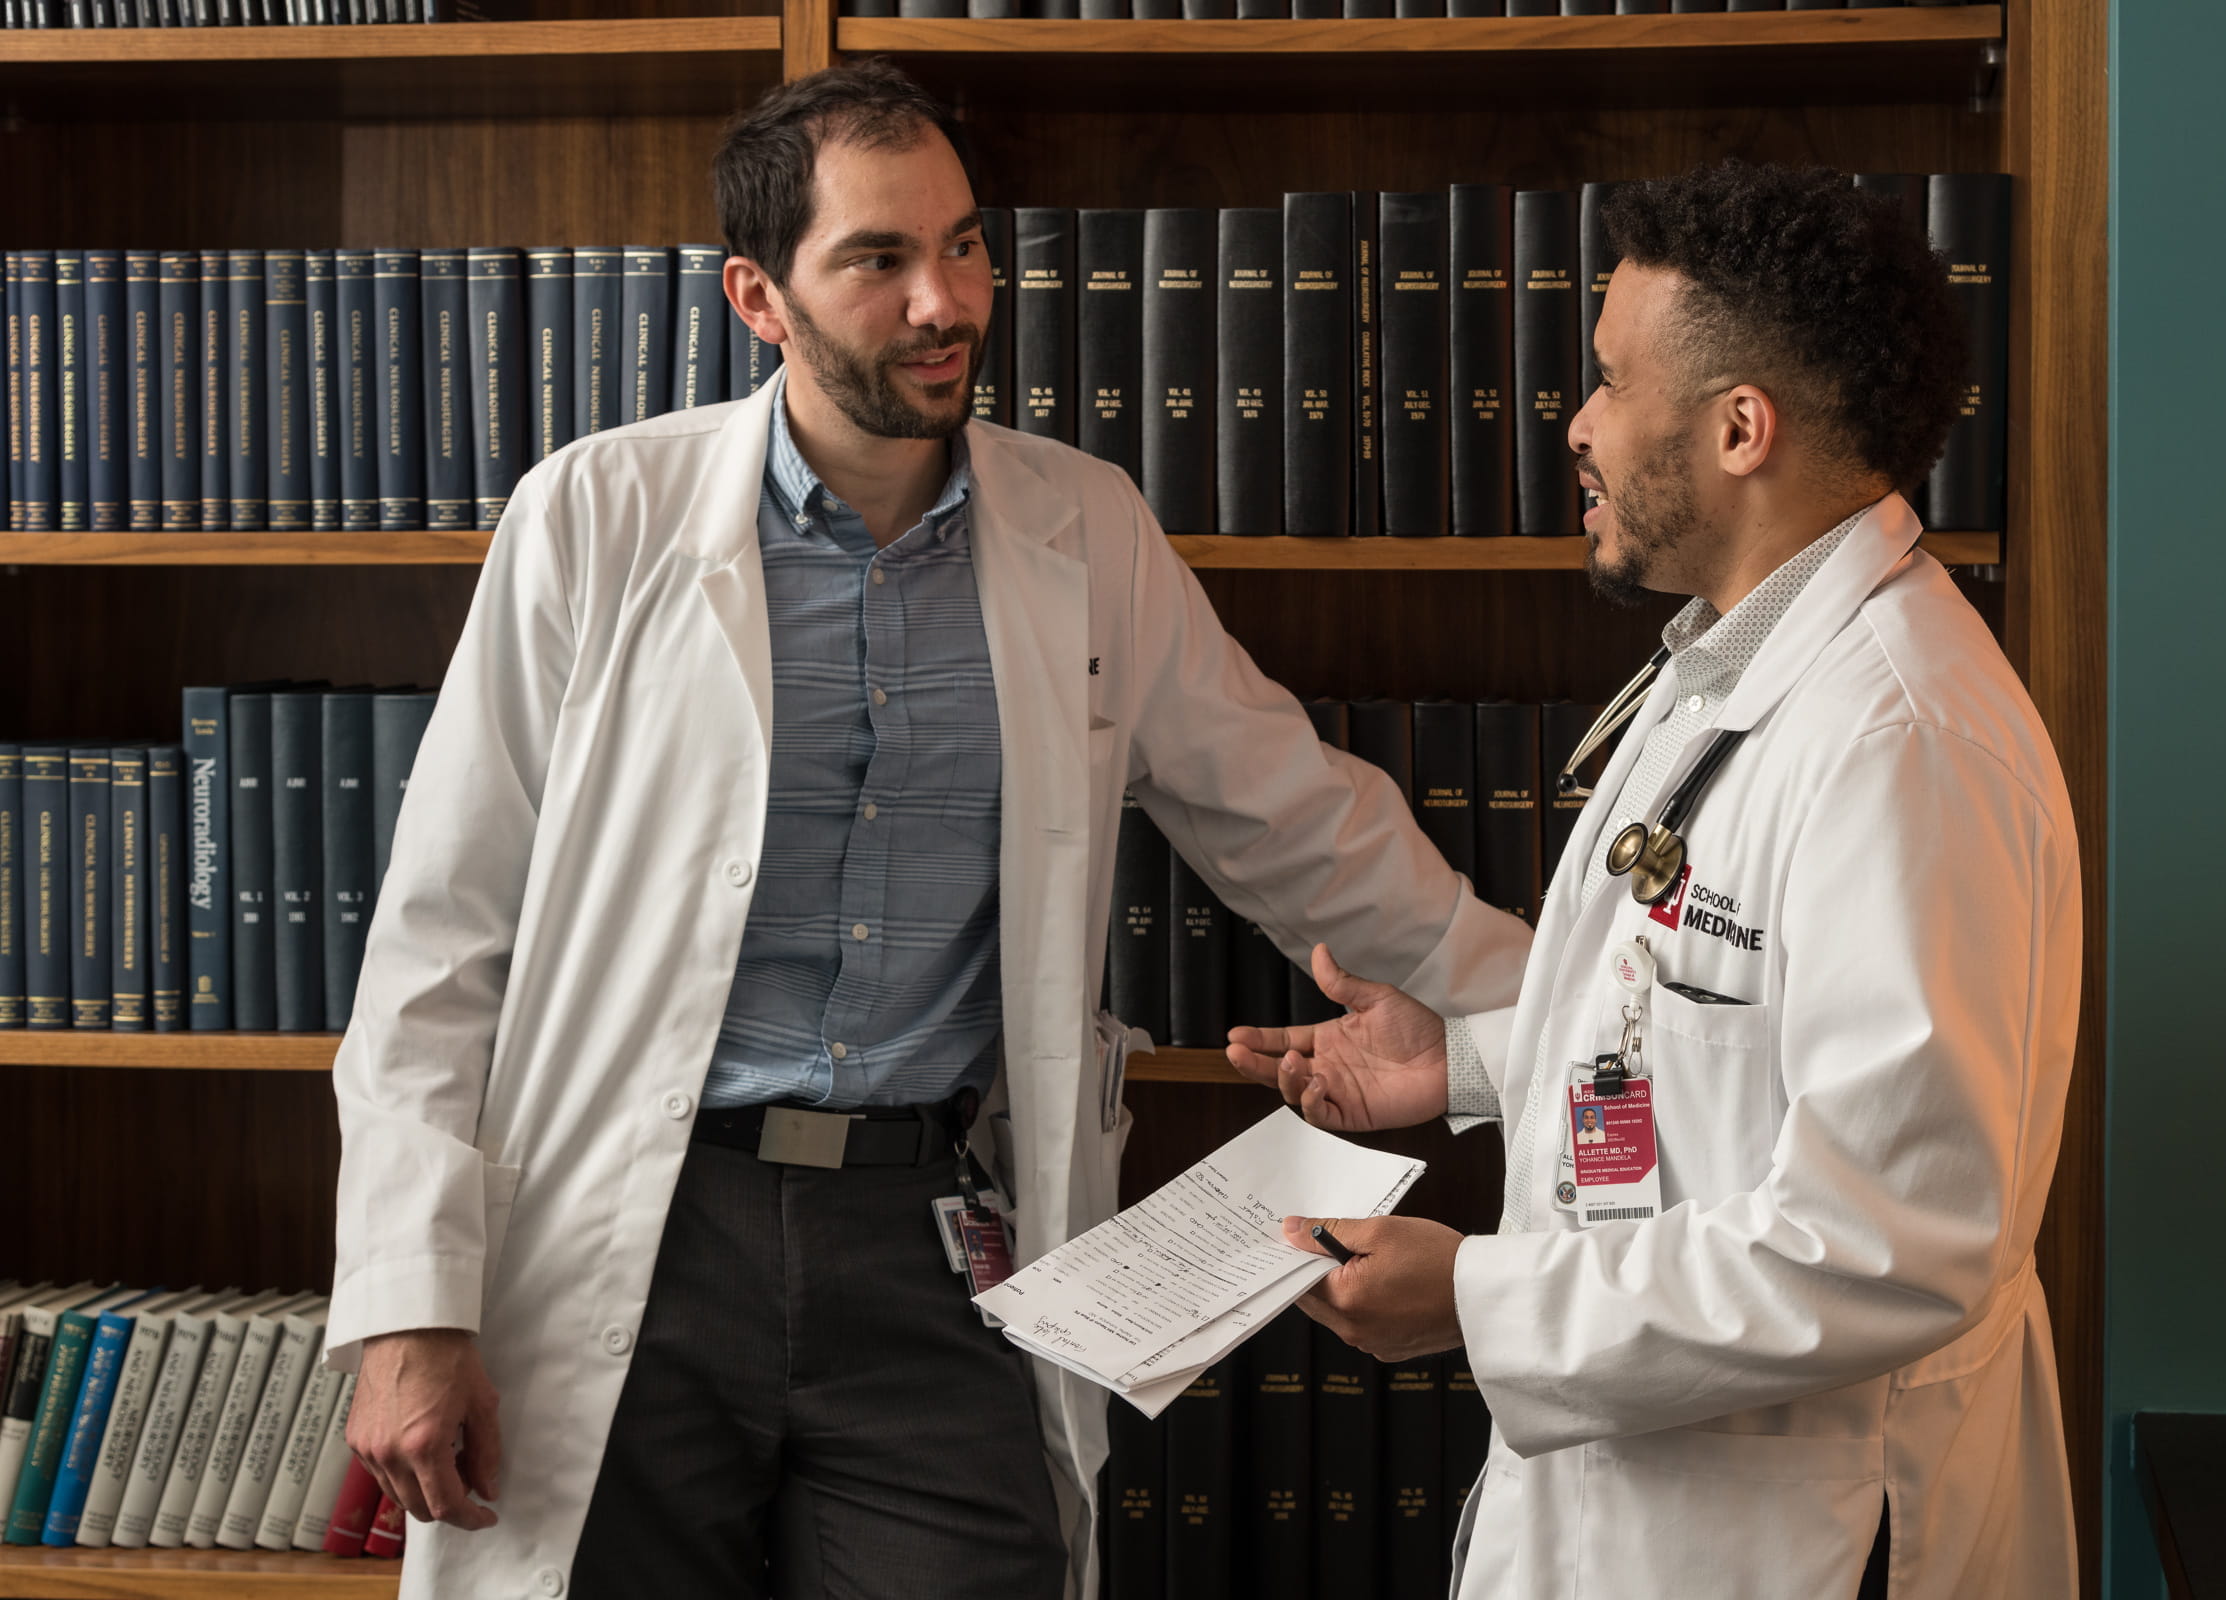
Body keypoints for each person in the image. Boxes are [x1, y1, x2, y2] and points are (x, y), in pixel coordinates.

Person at [326, 62, 1530, 1600]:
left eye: (963, 247)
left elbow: (1302, 825)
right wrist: (411, 1307)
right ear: (758, 297)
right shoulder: (594, 517)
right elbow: (443, 938)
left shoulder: (1085, 528)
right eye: (878, 259)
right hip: (643, 1218)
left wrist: (1564, 1028)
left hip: (932, 1230)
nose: (943, 303)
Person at [1233, 163, 2080, 1599]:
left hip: (1806, 1538)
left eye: (1613, 380)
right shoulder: (1732, 663)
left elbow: (1891, 1243)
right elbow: (1703, 1025)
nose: (1577, 423)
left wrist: (1480, 1300)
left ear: (1741, 428)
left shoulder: (1903, 742)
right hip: (1659, 1514)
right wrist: (1469, 1065)